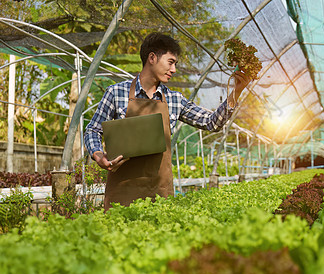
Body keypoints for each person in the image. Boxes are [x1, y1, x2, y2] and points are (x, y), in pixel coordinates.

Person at [84, 32, 250, 210]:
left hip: (159, 193)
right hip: (121, 192)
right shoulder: (116, 92)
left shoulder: (174, 99)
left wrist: (235, 93)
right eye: (171, 62)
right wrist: (98, 155)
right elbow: (93, 130)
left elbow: (211, 122)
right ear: (152, 58)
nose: (174, 70)